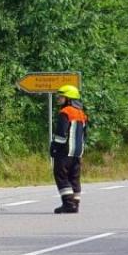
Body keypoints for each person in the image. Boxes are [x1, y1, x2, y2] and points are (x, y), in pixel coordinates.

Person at [51, 84, 88, 214]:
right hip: (77, 152)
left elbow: (61, 133)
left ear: (69, 99)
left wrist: (54, 147)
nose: (59, 99)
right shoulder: (82, 114)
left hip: (64, 151)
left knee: (60, 174)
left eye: (61, 97)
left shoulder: (65, 112)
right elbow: (85, 134)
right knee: (74, 177)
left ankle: (68, 203)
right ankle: (75, 203)